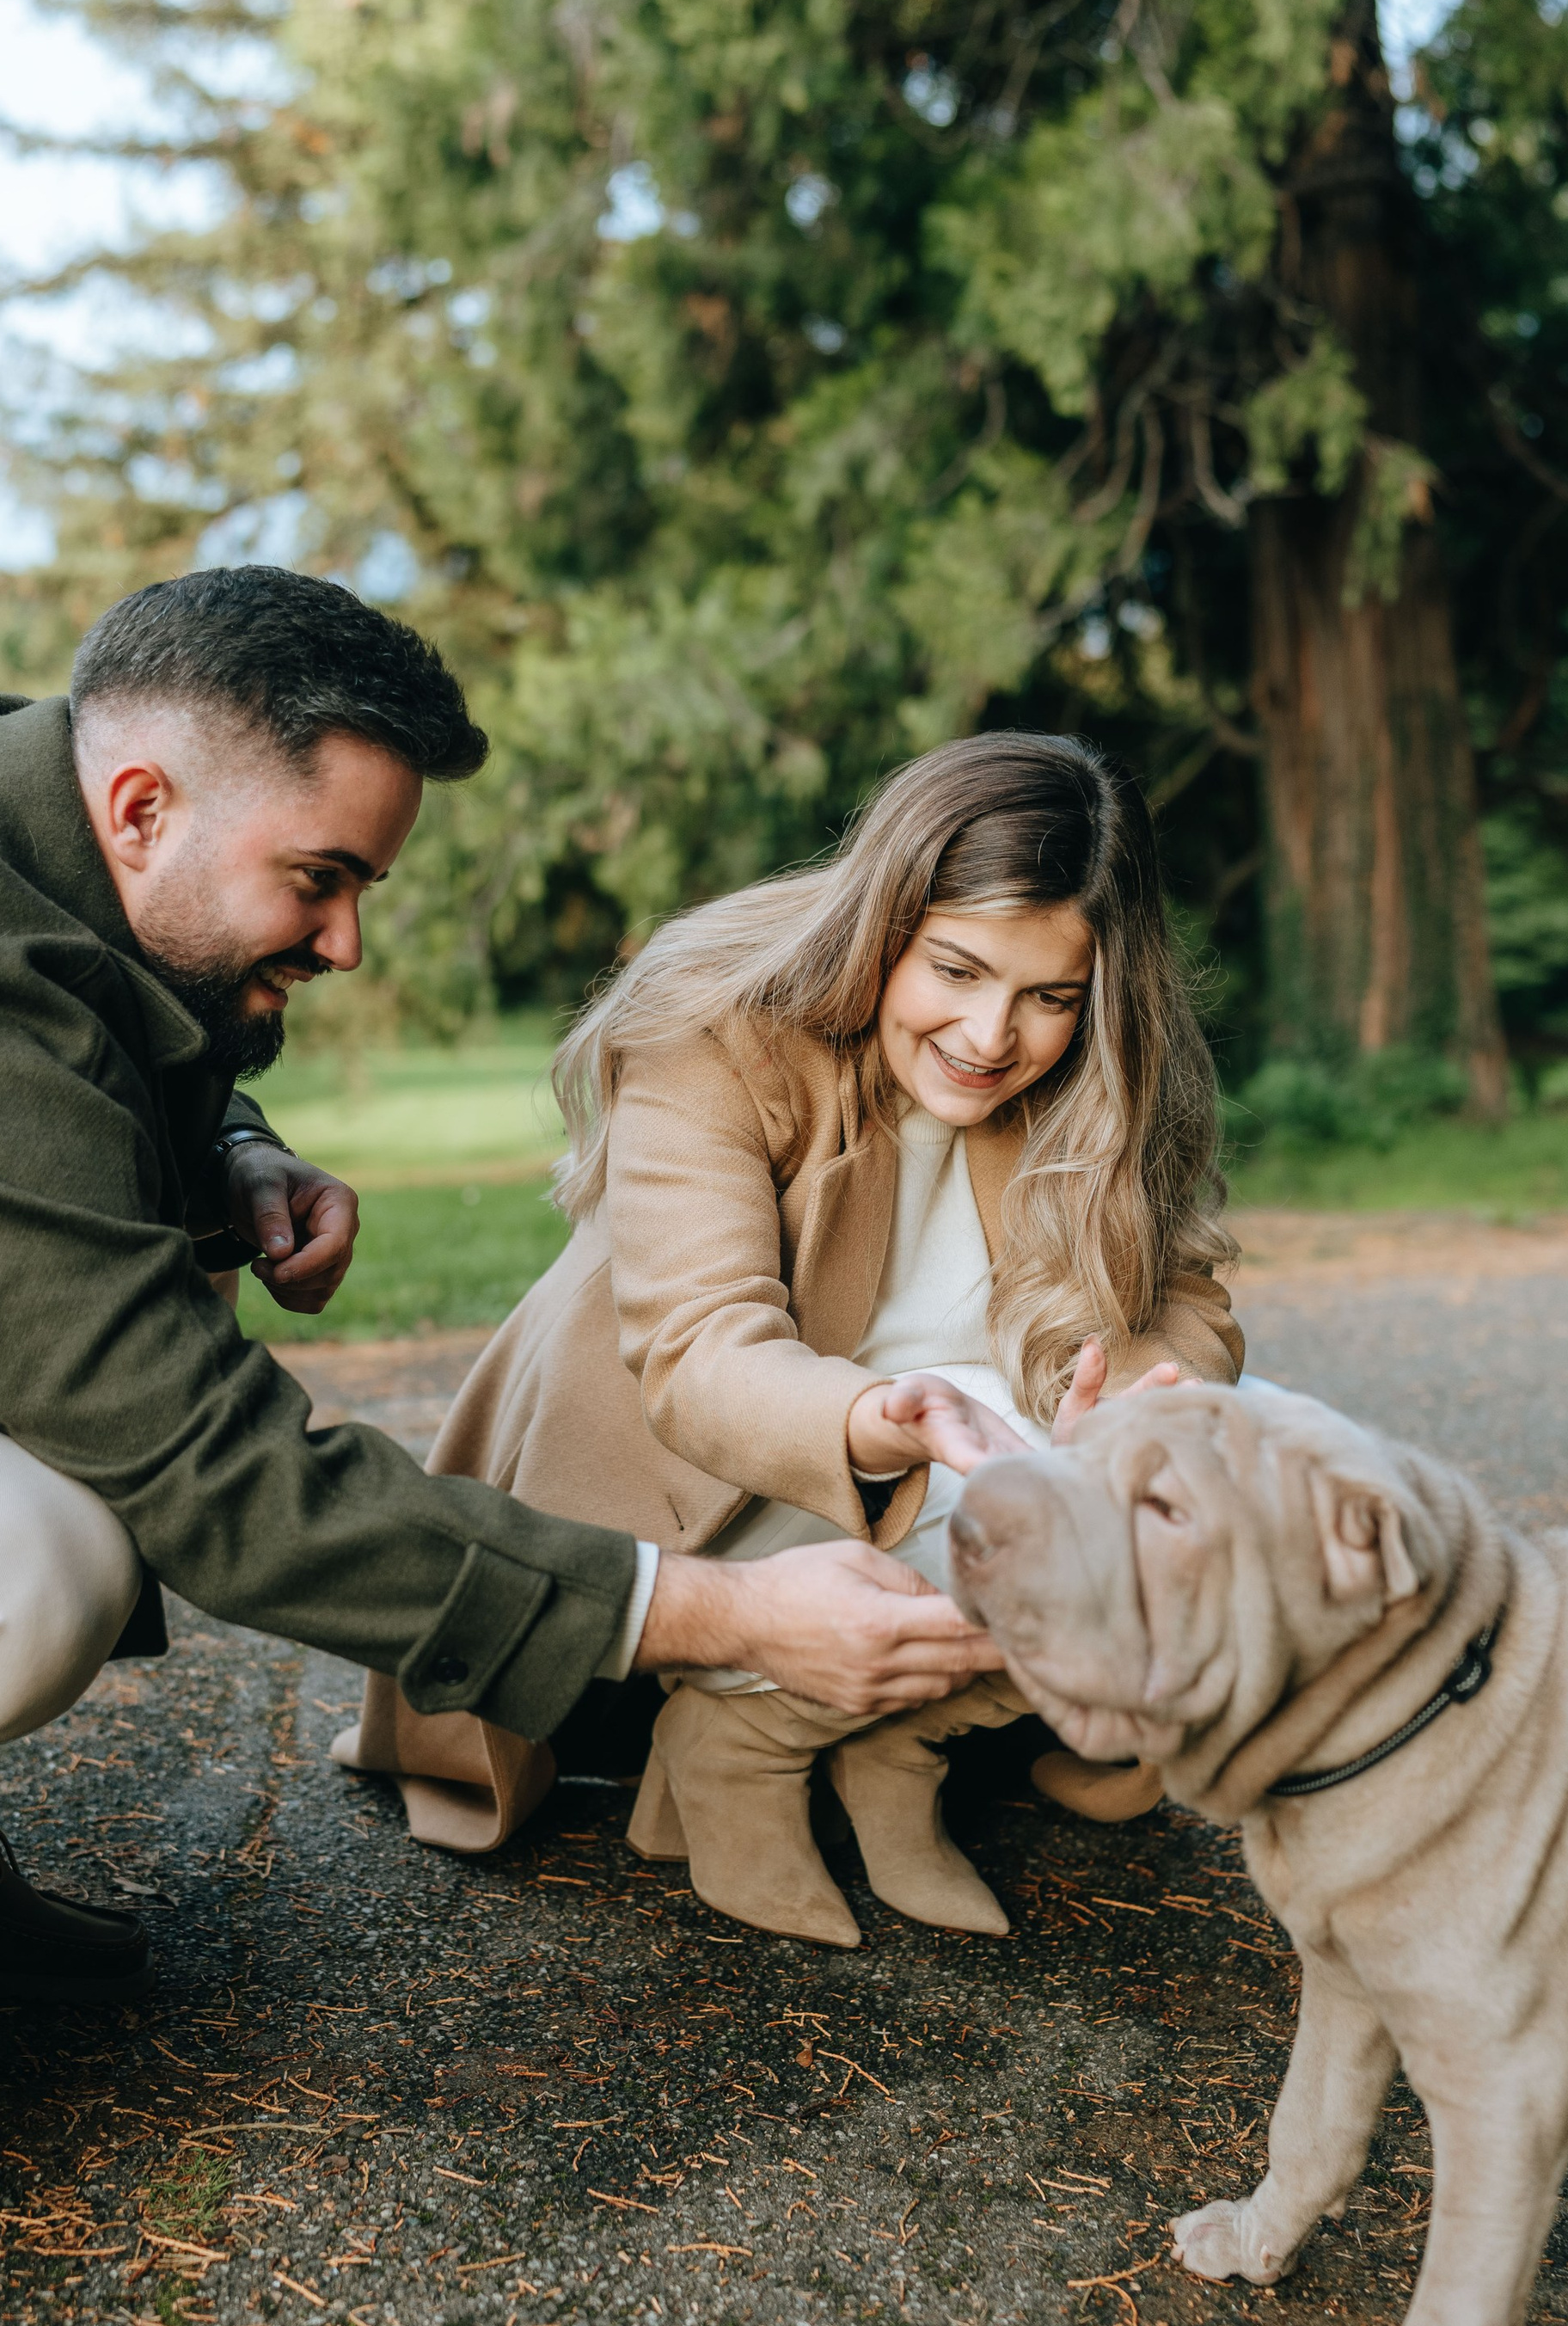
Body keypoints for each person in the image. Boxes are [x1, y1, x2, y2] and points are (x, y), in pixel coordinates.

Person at [0, 568, 1001, 2223]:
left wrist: (235, 1149)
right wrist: (715, 1615)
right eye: (321, 879)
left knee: (60, 1471)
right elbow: (223, 1476)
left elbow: (81, 1049)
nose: (345, 940)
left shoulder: (3, 809)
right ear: (141, 805)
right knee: (36, 1564)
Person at [346, 733, 1244, 1940]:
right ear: (885, 925)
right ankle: (732, 1739)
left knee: (1198, 1471)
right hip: (713, 1459)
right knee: (1022, 1496)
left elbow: (1187, 1300)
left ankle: (905, 1751)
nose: (992, 1037)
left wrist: (1134, 1406)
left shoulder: (1108, 1067)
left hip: (961, 1433)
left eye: (1049, 997)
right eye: (958, 971)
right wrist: (875, 1421)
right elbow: (703, 1352)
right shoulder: (712, 1021)